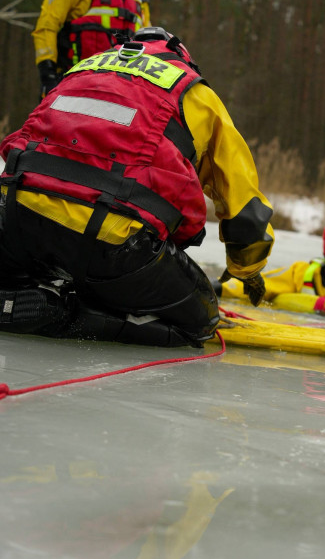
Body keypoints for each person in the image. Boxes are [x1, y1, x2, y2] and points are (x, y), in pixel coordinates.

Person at [0, 26, 274, 347]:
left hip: (14, 219)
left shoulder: (81, 69)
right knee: (202, 321)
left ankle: (14, 299)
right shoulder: (193, 91)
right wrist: (246, 268)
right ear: (181, 57)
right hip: (108, 240)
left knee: (21, 271)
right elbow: (243, 203)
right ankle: (64, 314)